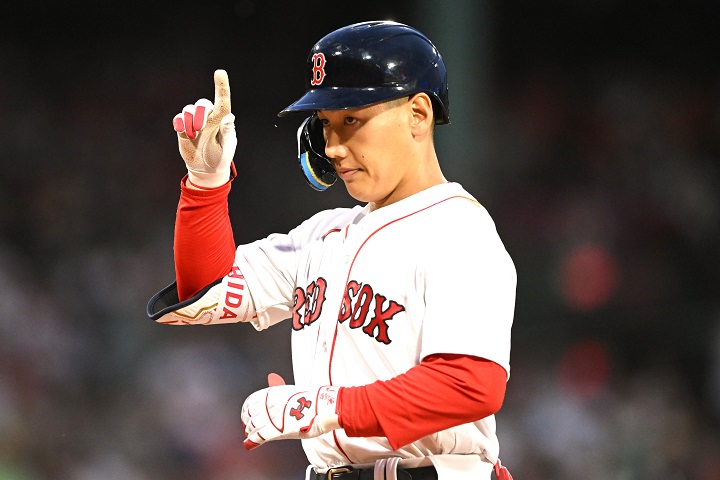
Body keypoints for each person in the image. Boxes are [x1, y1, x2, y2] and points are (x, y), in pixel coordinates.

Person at [148, 20, 516, 480]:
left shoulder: (458, 229)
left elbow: (470, 385)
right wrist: (206, 183)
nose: (333, 147)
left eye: (351, 120)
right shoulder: (321, 235)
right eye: (325, 124)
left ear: (418, 115)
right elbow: (205, 287)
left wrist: (326, 406)